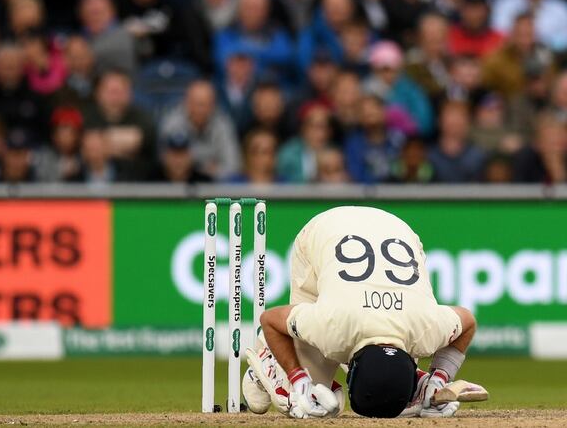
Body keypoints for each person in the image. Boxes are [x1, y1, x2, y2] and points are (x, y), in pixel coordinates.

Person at [251, 206, 478, 418]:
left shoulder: (427, 330)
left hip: (396, 228)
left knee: (346, 386)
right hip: (325, 230)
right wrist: (297, 377)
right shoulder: (330, 326)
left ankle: (420, 380)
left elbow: (467, 321)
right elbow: (270, 320)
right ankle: (269, 360)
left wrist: (438, 379)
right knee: (305, 396)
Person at [160, 79, 240, 181]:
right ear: (186, 102)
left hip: (213, 185)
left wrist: (204, 172)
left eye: (204, 105)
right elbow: (164, 162)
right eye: (196, 104)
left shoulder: (222, 124)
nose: (200, 110)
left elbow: (233, 166)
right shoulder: (172, 123)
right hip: (178, 183)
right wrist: (204, 169)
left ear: (213, 106)